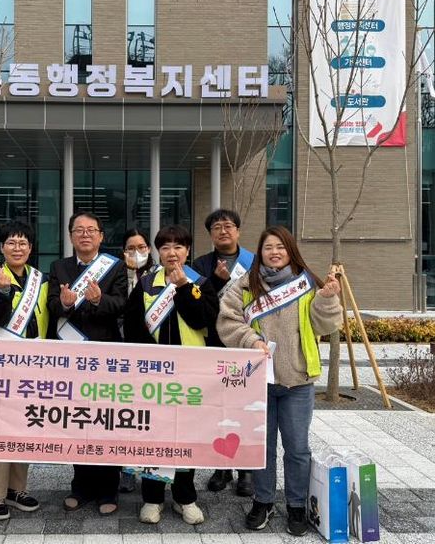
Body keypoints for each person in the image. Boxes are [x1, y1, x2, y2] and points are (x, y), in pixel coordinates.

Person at [217, 225, 342, 537]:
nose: (274, 252)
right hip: (258, 383)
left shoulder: (306, 283)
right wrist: (251, 341)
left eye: (281, 247)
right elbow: (227, 320)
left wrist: (327, 299)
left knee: (297, 448)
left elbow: (323, 326)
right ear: (260, 252)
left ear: (290, 251)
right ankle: (263, 501)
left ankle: (297, 505)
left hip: (297, 381)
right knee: (263, 447)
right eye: (268, 247)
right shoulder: (245, 285)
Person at [124, 224, 219, 525]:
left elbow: (203, 320)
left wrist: (182, 288)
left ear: (187, 251)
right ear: (158, 252)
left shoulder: (200, 283)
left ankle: (184, 496)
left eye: (178, 247)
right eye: (165, 247)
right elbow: (133, 327)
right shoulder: (146, 284)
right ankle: (152, 497)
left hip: (190, 375)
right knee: (153, 435)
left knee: (186, 436)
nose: (172, 253)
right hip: (153, 375)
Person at [48, 211, 128, 515]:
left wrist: (97, 301)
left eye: (91, 230)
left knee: (106, 420)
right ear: (71, 236)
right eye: (79, 230)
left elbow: (121, 303)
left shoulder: (115, 266)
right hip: (72, 355)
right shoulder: (59, 267)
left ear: (101, 236)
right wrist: (64, 303)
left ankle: (108, 488)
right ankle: (81, 486)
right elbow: (51, 304)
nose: (85, 234)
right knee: (78, 420)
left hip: (106, 356)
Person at [0, 221, 46, 520]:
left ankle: (17, 489)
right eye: (11, 243)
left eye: (23, 243)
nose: (18, 248)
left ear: (30, 248)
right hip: (1, 367)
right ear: (2, 248)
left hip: (34, 367)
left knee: (25, 424)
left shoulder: (41, 280)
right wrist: (4, 292)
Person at [192, 208, 255, 496]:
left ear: (238, 231)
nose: (223, 231)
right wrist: (216, 282)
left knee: (245, 408)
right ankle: (221, 468)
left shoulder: (254, 262)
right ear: (210, 234)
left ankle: (246, 471)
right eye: (216, 227)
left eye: (228, 226)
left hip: (246, 344)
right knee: (218, 409)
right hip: (215, 344)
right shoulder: (201, 264)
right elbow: (198, 302)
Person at [119, 228, 156, 493]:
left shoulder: (159, 275)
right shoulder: (115, 274)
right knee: (125, 414)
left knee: (150, 415)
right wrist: (130, 274)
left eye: (141, 247)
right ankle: (126, 469)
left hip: (150, 355)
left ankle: (152, 468)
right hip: (120, 353)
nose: (137, 252)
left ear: (149, 249)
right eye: (131, 248)